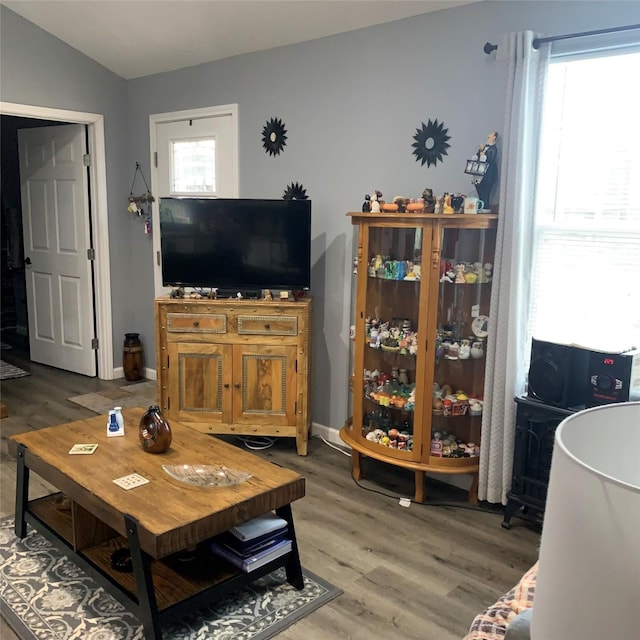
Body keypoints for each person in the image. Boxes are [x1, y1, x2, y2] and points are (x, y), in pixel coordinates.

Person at [475, 131, 498, 208]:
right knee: (477, 185)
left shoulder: (493, 148)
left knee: (486, 189)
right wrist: (480, 152)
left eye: (490, 135)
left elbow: (490, 159)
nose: (488, 135)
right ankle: (481, 203)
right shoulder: (484, 147)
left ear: (494, 137)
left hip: (489, 173)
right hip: (480, 172)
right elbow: (477, 155)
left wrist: (483, 155)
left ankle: (485, 206)